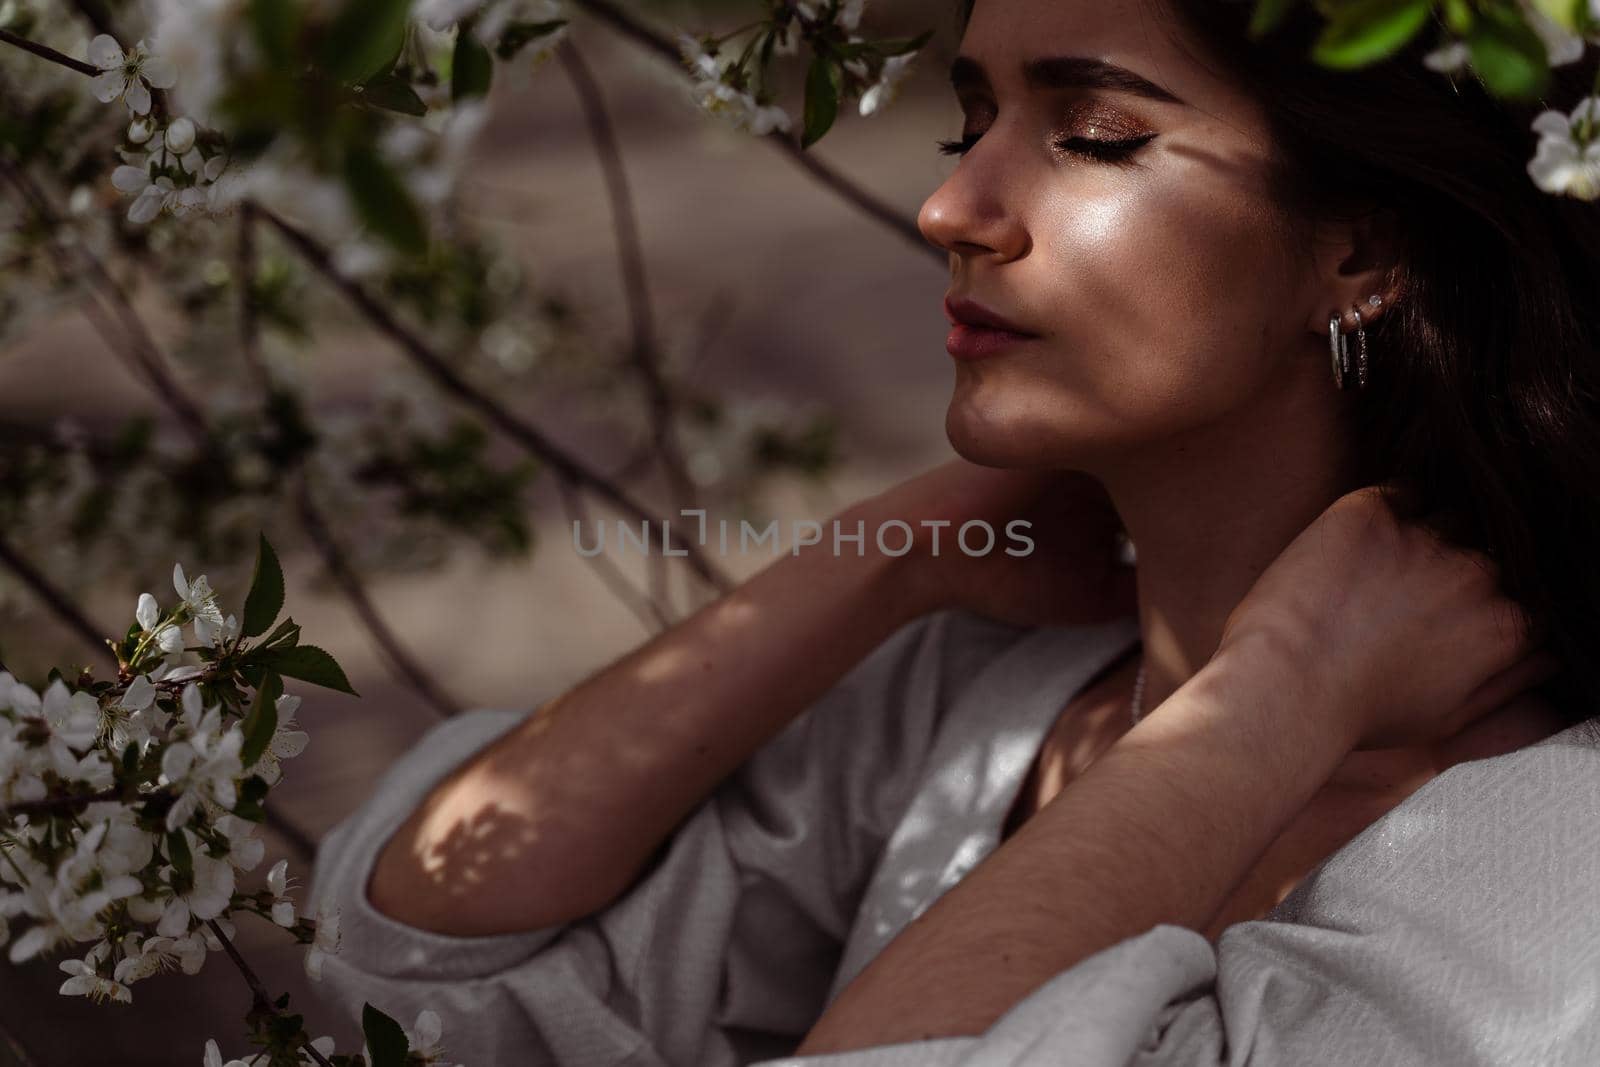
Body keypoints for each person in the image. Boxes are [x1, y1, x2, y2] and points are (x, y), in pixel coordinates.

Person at [307, 1, 1600, 1063]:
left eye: (1093, 133)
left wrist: (1277, 698)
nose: (952, 209)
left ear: (1363, 249)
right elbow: (428, 961)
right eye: (973, 120)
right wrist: (894, 551)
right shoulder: (989, 703)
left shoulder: (1546, 871)